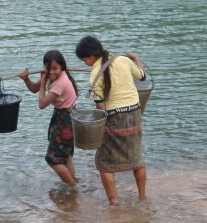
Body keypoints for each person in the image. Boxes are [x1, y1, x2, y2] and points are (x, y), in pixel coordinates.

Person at [75, 35, 147, 205]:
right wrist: (135, 58)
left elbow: (101, 108)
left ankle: (114, 203)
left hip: (115, 117)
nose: (85, 63)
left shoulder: (94, 75)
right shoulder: (123, 60)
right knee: (136, 158)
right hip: (135, 113)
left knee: (104, 163)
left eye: (84, 59)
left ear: (91, 55)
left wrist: (101, 127)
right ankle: (142, 198)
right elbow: (142, 76)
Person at [17, 50, 79, 186]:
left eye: (55, 68)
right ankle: (72, 183)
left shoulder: (60, 82)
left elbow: (42, 104)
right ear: (45, 67)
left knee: (53, 159)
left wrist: (44, 79)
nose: (52, 72)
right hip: (65, 116)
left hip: (65, 120)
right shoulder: (54, 76)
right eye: (48, 69)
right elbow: (34, 89)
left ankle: (72, 186)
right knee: (66, 155)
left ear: (62, 67)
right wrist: (26, 79)